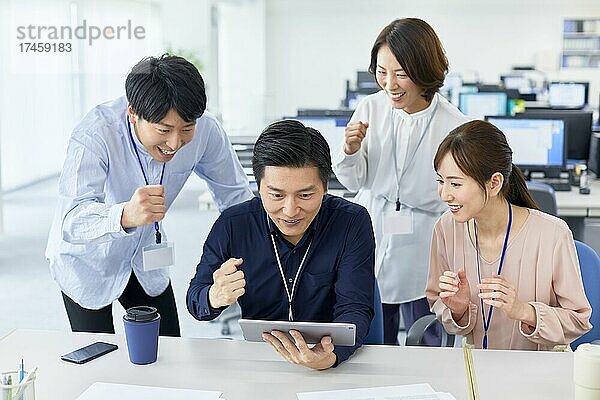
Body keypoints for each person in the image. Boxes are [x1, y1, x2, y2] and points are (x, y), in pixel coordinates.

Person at [45, 54, 253, 337]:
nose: (174, 143)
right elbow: (72, 220)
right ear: (133, 113)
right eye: (164, 130)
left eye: (186, 129)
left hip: (146, 258)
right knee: (98, 358)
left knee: (167, 349)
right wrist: (125, 215)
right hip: (88, 261)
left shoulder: (206, 130)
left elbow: (236, 197)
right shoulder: (95, 134)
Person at [187, 120, 375, 369]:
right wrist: (214, 296)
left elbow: (355, 308)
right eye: (276, 195)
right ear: (259, 186)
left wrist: (331, 356)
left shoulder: (351, 222)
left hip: (330, 359)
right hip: (260, 360)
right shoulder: (233, 224)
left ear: (326, 187)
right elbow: (195, 300)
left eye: (305, 195)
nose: (290, 210)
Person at [333, 18, 469, 345]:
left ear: (424, 71)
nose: (390, 85)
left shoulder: (455, 125)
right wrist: (350, 150)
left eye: (401, 74)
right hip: (373, 225)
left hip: (425, 235)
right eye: (382, 72)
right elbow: (354, 180)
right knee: (371, 336)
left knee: (427, 336)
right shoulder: (370, 108)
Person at [426, 120, 592, 350]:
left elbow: (578, 320)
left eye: (455, 184)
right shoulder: (446, 229)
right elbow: (438, 302)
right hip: (476, 365)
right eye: (440, 181)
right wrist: (458, 309)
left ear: (494, 183)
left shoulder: (553, 234)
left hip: (538, 369)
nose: (444, 194)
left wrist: (523, 311)